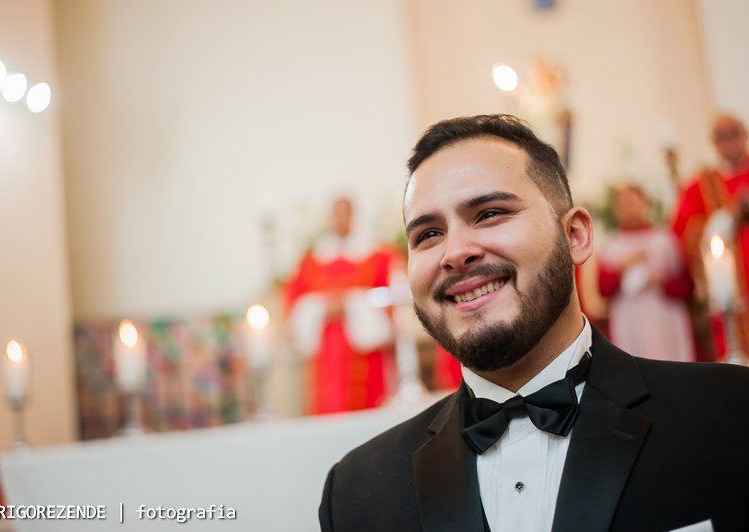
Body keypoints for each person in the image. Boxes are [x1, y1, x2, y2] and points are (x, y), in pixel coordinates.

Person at [319, 114, 749, 531]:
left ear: (575, 236)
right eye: (428, 234)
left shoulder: (730, 414)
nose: (455, 252)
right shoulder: (356, 493)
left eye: (489, 213)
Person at [285, 197, 397, 414]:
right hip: (326, 348)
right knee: (329, 404)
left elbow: (391, 297)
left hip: (365, 350)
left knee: (370, 409)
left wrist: (350, 305)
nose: (339, 219)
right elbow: (294, 299)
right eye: (335, 214)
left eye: (344, 213)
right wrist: (320, 307)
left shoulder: (376, 256)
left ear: (353, 216)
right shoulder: (312, 261)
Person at [671, 113, 749, 359]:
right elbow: (683, 233)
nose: (729, 141)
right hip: (733, 290)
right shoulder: (701, 186)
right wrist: (729, 217)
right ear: (714, 143)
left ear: (745, 135)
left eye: (734, 133)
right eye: (721, 137)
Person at [598, 184, 695, 362]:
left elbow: (686, 286)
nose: (629, 208)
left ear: (644, 202)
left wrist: (662, 281)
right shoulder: (612, 245)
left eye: (632, 202)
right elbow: (604, 289)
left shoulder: (664, 240)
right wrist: (621, 267)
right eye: (623, 204)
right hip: (630, 320)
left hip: (664, 316)